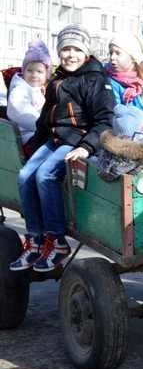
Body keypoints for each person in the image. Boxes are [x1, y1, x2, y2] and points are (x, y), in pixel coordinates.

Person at [10, 24, 116, 272]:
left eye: (76, 49)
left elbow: (105, 121)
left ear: (86, 52)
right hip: (56, 139)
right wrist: (32, 145)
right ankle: (36, 239)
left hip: (78, 140)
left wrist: (86, 148)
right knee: (26, 175)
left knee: (46, 175)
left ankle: (56, 241)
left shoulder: (96, 80)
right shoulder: (58, 79)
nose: (70, 55)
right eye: (65, 49)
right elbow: (45, 119)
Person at [7, 39, 51, 157]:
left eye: (39, 71)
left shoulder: (41, 89)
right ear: (23, 71)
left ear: (46, 74)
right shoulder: (19, 90)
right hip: (25, 138)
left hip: (38, 133)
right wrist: (45, 125)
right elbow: (19, 112)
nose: (34, 75)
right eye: (29, 70)